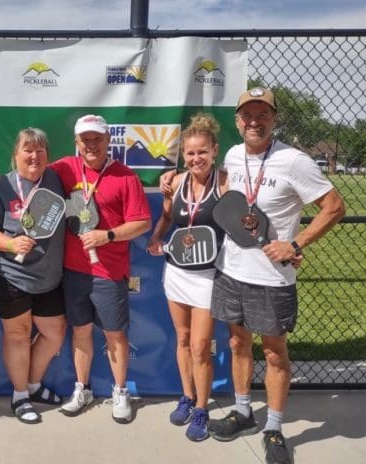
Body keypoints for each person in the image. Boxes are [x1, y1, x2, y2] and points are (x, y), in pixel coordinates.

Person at [207, 88, 345, 464]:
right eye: (247, 115)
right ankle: (242, 411)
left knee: (274, 352)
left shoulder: (293, 160)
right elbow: (227, 194)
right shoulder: (233, 156)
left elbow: (334, 207)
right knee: (237, 344)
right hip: (230, 269)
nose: (254, 121)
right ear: (237, 121)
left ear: (274, 119)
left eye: (262, 114)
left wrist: (296, 245)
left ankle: (274, 427)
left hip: (271, 277)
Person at [51, 115, 152, 424]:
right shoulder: (64, 168)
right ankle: (82, 388)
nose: (90, 144)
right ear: (76, 142)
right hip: (74, 270)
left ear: (109, 141)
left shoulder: (125, 177)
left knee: (114, 335)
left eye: (97, 139)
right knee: (80, 331)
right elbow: (28, 174)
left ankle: (120, 391)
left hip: (109, 271)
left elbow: (143, 222)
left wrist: (107, 235)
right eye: (85, 139)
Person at [0, 127, 67, 424]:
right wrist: (11, 243)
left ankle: (32, 384)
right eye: (27, 149)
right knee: (17, 334)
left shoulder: (57, 179)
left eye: (40, 150)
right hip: (9, 273)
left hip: (48, 276)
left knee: (54, 333)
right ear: (15, 155)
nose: (34, 155)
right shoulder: (1, 186)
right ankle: (19, 396)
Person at [146, 114, 227, 441]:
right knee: (181, 338)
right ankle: (187, 396)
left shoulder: (226, 182)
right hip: (177, 271)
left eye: (202, 152)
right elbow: (167, 215)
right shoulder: (176, 183)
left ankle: (203, 409)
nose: (197, 159)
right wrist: (155, 237)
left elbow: (243, 220)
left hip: (209, 275)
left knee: (200, 345)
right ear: (183, 157)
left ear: (214, 151)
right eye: (191, 154)